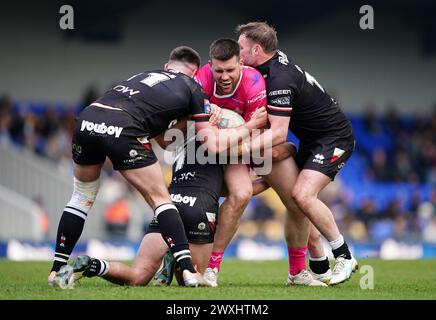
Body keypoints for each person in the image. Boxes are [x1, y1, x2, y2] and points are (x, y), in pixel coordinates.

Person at [48, 45, 268, 288]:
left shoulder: (144, 77)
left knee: (81, 197)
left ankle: (58, 269)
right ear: (196, 74)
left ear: (167, 66)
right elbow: (216, 150)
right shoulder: (195, 91)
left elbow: (165, 140)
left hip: (90, 118)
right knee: (163, 205)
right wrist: (249, 129)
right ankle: (184, 268)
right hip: (196, 206)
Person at [184, 38, 329, 287]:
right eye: (219, 70)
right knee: (241, 193)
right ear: (210, 66)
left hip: (247, 146)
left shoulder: (254, 83)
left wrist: (270, 149)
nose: (224, 76)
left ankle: (297, 272)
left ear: (241, 63)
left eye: (230, 69)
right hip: (206, 148)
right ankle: (211, 269)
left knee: (296, 199)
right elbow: (195, 130)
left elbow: (259, 136)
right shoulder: (202, 79)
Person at [236, 22, 358, 285]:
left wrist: (240, 150)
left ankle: (344, 256)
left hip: (334, 138)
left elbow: (279, 134)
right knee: (297, 203)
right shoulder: (267, 67)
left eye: (241, 48)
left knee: (303, 195)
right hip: (312, 141)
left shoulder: (279, 78)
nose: (238, 53)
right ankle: (315, 266)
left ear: (257, 49)